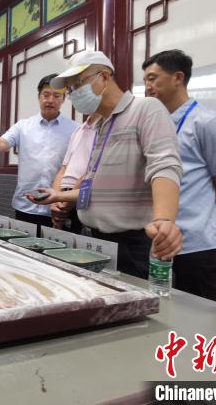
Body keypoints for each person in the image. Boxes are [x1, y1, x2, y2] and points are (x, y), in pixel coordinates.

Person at [29, 50, 183, 279]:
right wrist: (58, 195)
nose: (75, 93)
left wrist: (163, 219)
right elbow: (97, 188)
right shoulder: (101, 125)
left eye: (78, 83)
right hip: (96, 240)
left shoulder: (146, 109)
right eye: (71, 89)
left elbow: (164, 165)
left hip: (131, 244)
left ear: (104, 76)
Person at [143, 49, 216, 300]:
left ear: (178, 77)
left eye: (153, 78)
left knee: (196, 315)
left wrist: (211, 218)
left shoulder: (207, 122)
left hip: (196, 245)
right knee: (156, 311)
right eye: (145, 80)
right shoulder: (152, 124)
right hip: (157, 241)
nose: (147, 86)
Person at [0, 74, 77, 231]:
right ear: (39, 97)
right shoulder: (23, 126)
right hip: (26, 205)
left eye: (56, 95)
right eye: (46, 95)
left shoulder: (74, 129)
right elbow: (4, 141)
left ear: (64, 99)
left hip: (58, 207)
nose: (50, 100)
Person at [48, 112, 99, 233]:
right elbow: (63, 169)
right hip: (64, 199)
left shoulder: (106, 130)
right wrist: (56, 202)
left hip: (83, 198)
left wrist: (65, 204)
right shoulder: (78, 130)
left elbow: (92, 173)